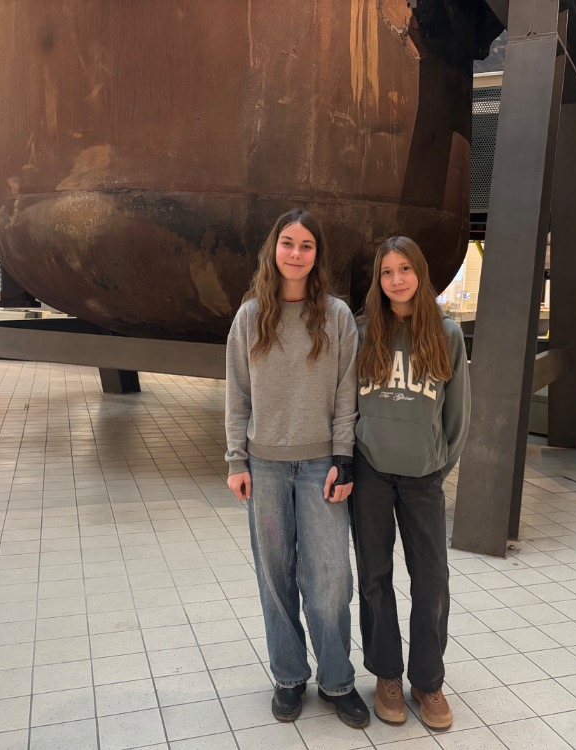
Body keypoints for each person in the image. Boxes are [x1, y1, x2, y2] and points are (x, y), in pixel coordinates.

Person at [224, 208, 369, 728]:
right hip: (264, 467)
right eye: (288, 242)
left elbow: (347, 394)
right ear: (274, 248)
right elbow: (237, 393)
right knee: (275, 575)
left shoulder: (336, 316)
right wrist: (236, 459)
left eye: (307, 245)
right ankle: (288, 676)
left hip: (320, 466)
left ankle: (336, 680)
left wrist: (343, 459)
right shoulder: (249, 318)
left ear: (316, 255)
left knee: (330, 578)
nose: (296, 253)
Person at [350, 236, 471, 730]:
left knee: (432, 580)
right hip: (371, 471)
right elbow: (346, 404)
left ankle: (427, 679)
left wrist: (437, 464)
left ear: (420, 273)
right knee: (374, 576)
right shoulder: (362, 332)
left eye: (404, 269)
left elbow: (458, 415)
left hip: (423, 476)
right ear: (377, 280)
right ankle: (386, 674)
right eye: (386, 272)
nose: (396, 280)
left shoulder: (447, 333)